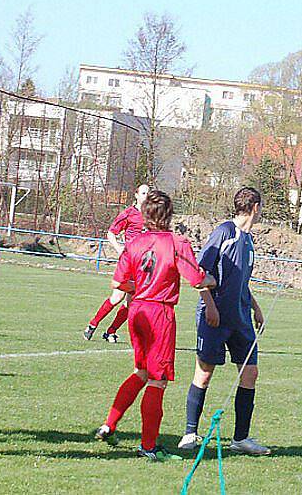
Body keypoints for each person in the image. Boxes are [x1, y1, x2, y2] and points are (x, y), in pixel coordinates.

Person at [94, 190, 216, 461]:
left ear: (145, 214)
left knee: (141, 372)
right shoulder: (176, 243)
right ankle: (148, 446)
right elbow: (196, 279)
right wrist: (211, 280)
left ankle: (109, 424)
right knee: (157, 380)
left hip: (136, 310)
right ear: (169, 215)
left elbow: (117, 283)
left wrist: (139, 288)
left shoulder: (134, 244)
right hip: (159, 312)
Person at [178, 187, 270, 456]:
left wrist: (256, 308)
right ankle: (190, 433)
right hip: (216, 316)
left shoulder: (249, 240)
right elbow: (200, 272)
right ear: (255, 207)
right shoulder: (224, 232)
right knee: (204, 373)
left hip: (241, 318)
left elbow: (240, 281)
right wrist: (210, 305)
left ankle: (241, 439)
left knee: (250, 373)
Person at [83, 184, 149, 343]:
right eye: (143, 193)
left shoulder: (152, 215)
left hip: (143, 265)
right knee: (117, 296)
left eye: (148, 193)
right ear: (136, 195)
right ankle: (93, 324)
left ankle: (111, 331)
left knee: (132, 302)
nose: (146, 196)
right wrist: (120, 250)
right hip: (129, 263)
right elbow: (111, 233)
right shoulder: (128, 213)